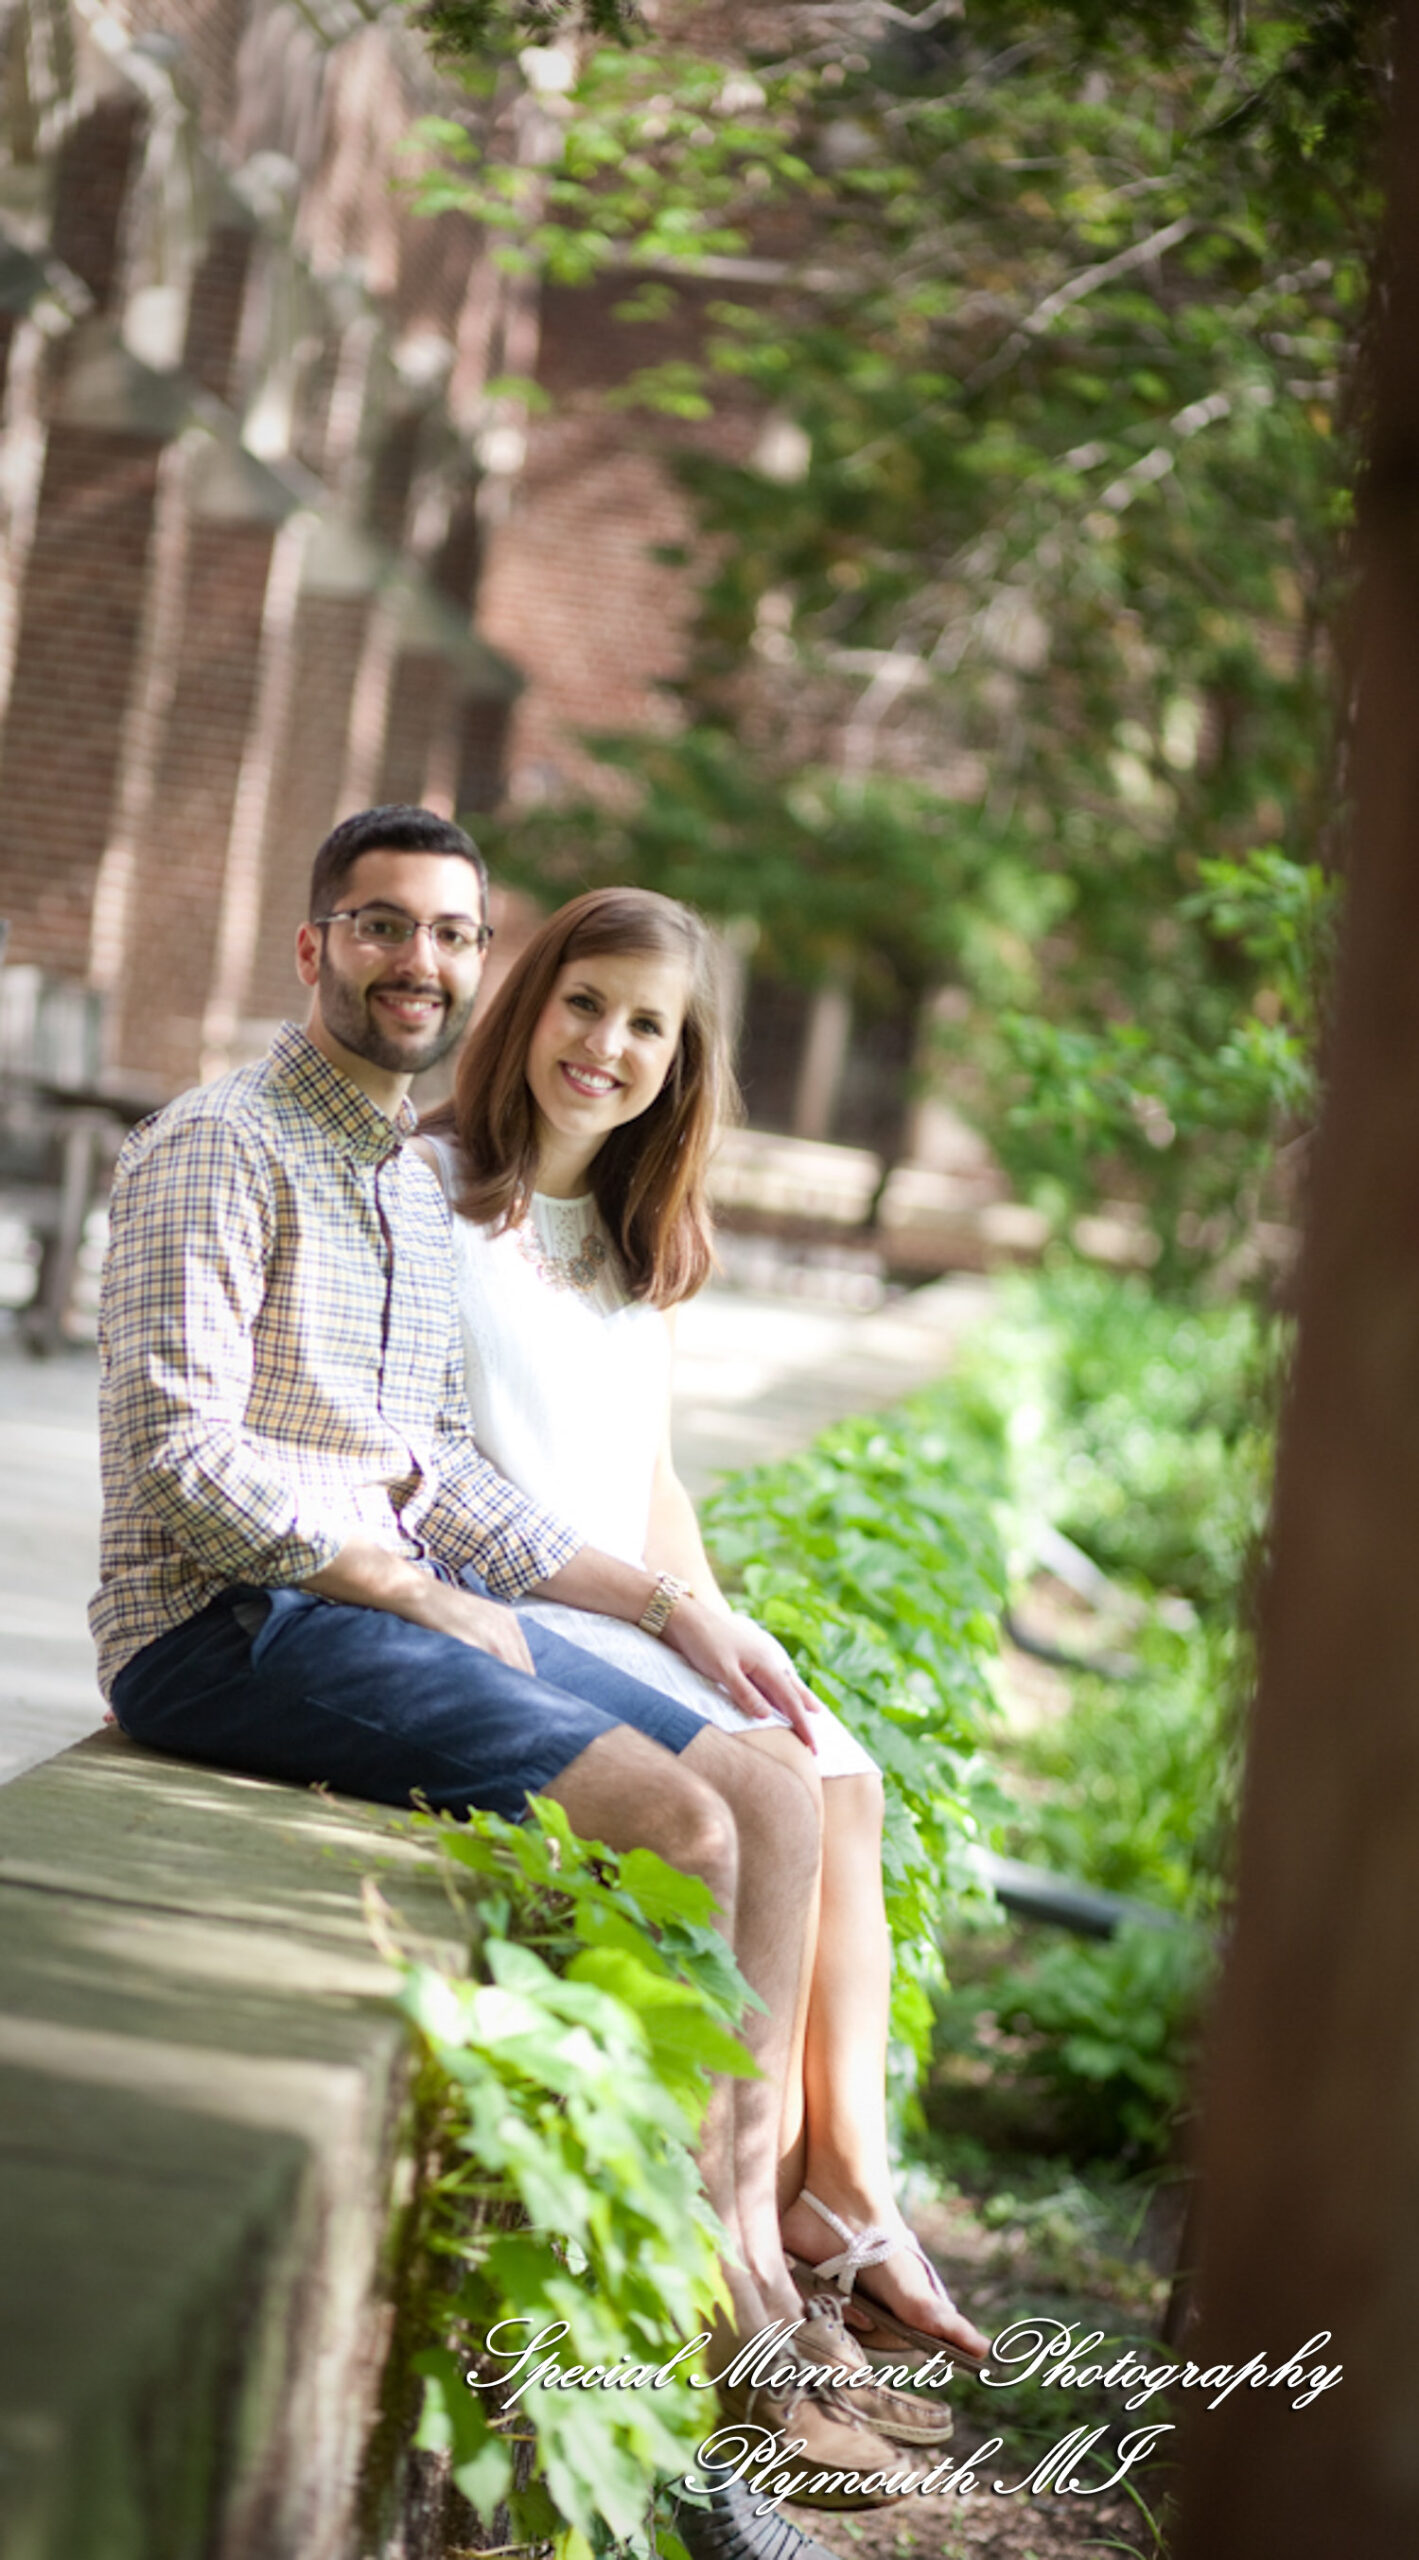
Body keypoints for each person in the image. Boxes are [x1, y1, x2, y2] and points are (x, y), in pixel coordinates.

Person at [90, 804, 935, 2544]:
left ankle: (756, 2260)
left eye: (451, 934)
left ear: (478, 963)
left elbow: (442, 1476)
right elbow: (185, 1455)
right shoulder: (218, 1142)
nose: (421, 962)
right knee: (684, 1830)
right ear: (316, 945)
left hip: (370, 1604)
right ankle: (710, 2321)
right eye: (384, 926)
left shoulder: (387, 1178)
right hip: (225, 1630)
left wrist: (669, 1603)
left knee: (776, 1783)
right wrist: (400, 1585)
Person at [418, 882, 989, 2372]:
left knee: (840, 1769)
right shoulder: (426, 1196)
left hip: (638, 1597)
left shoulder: (629, 1234)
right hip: (520, 1604)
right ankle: (753, 2250)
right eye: (584, 1003)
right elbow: (441, 1474)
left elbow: (652, 1478)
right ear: (531, 1004)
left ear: (682, 1063)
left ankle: (844, 2195)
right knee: (779, 1789)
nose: (606, 1045)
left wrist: (725, 1631)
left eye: (647, 1026)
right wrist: (666, 1621)